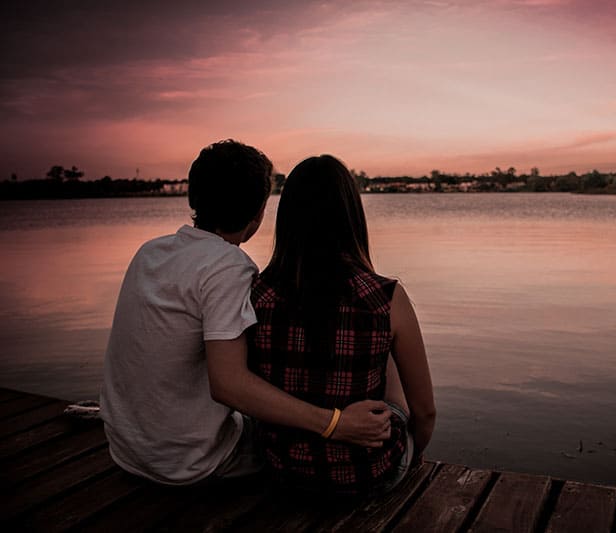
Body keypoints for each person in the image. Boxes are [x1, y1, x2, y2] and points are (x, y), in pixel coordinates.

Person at [100, 140, 391, 485]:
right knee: (291, 441)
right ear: (258, 215)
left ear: (193, 199)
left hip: (126, 449)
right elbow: (229, 386)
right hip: (188, 462)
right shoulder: (228, 266)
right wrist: (334, 423)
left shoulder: (149, 253)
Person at [248, 154, 436, 496]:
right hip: (365, 476)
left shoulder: (256, 293)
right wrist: (414, 455)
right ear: (351, 216)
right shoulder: (386, 297)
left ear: (287, 218)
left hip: (281, 472)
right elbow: (425, 413)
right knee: (389, 352)